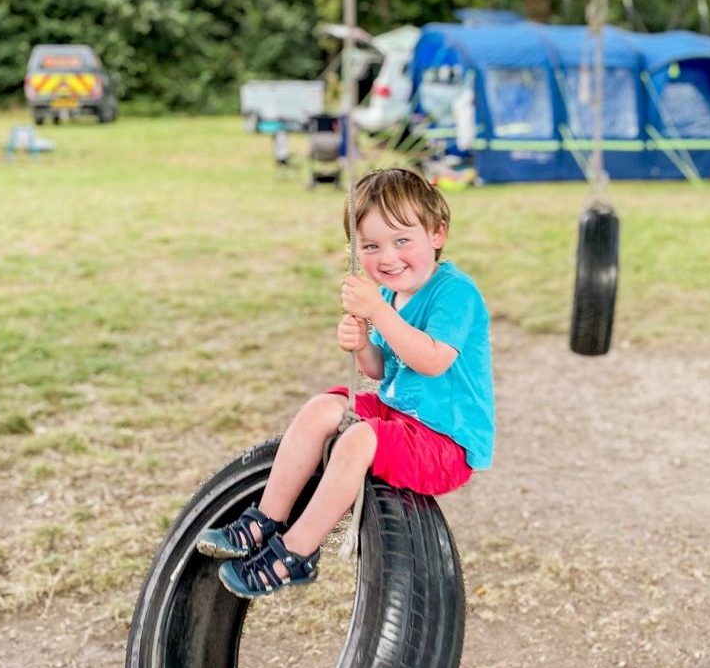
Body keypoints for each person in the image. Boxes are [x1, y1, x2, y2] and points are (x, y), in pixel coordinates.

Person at [197, 167, 494, 598]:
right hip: (401, 417)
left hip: (446, 442)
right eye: (371, 246)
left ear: (437, 233)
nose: (387, 257)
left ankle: (296, 554)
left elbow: (431, 360)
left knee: (356, 440)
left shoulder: (455, 293)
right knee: (322, 408)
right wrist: (361, 347)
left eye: (401, 241)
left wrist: (377, 312)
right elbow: (379, 369)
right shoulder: (390, 295)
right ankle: (266, 518)